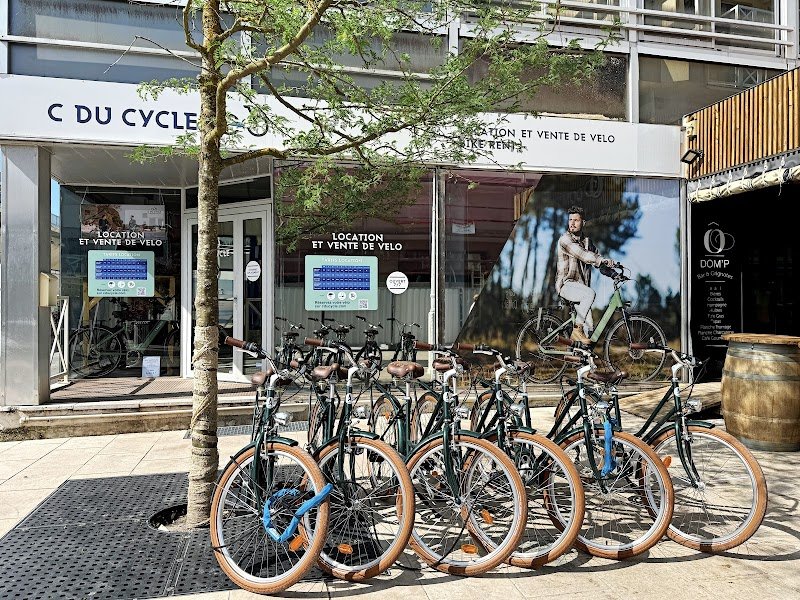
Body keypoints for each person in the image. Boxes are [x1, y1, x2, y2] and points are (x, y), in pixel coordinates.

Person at [555, 205, 615, 344]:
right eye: (570, 219)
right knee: (590, 294)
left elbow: (598, 261)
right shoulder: (565, 240)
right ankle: (576, 330)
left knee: (590, 329)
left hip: (581, 289)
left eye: (576, 220)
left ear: (583, 222)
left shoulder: (588, 243)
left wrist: (613, 273)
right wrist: (602, 260)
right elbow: (583, 255)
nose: (572, 223)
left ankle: (580, 360)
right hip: (567, 285)